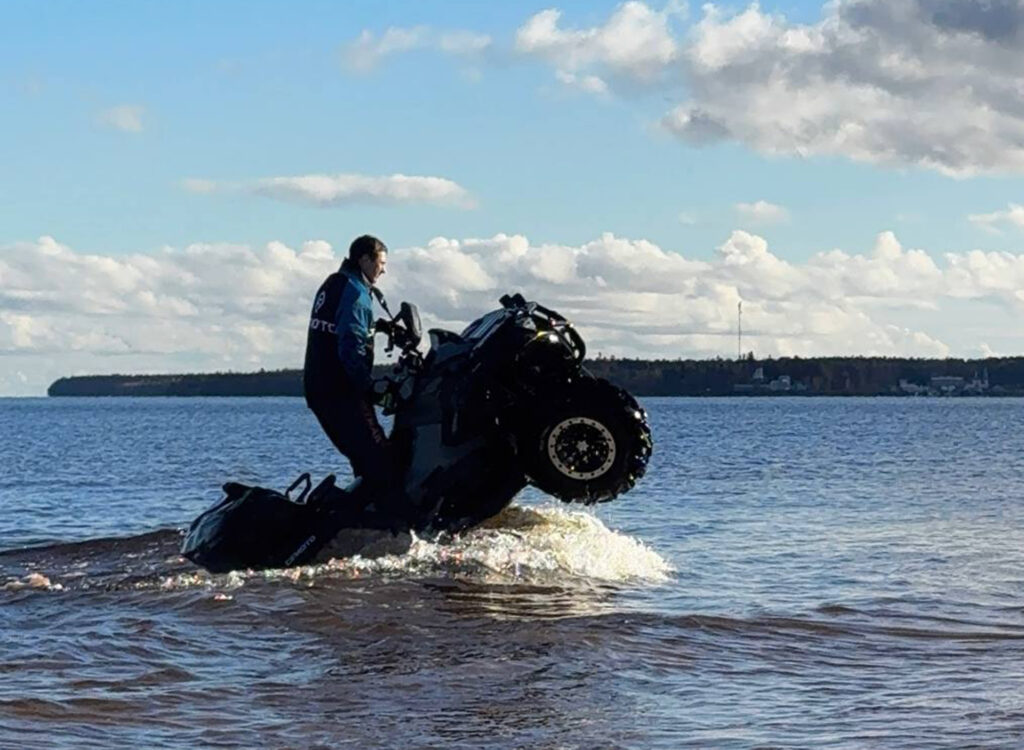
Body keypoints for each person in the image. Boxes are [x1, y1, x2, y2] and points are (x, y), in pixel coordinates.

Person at [303, 234, 400, 515]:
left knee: (362, 458)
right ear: (365, 259)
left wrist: (379, 326)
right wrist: (370, 389)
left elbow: (338, 325)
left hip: (318, 389)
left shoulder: (334, 283)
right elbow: (351, 346)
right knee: (380, 461)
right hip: (341, 391)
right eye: (380, 263)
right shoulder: (357, 293)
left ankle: (360, 516)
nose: (383, 269)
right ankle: (380, 522)